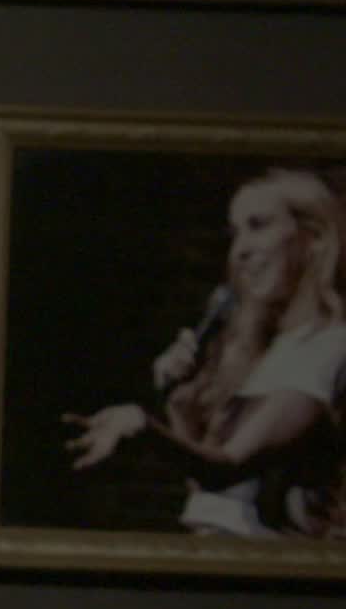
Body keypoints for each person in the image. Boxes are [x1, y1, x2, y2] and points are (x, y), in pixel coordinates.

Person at [65, 166, 346, 538]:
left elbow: (226, 468)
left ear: (314, 238)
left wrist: (141, 424)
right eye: (235, 233)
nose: (240, 250)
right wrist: (180, 404)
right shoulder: (268, 348)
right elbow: (207, 491)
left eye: (258, 225)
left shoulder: (329, 346)